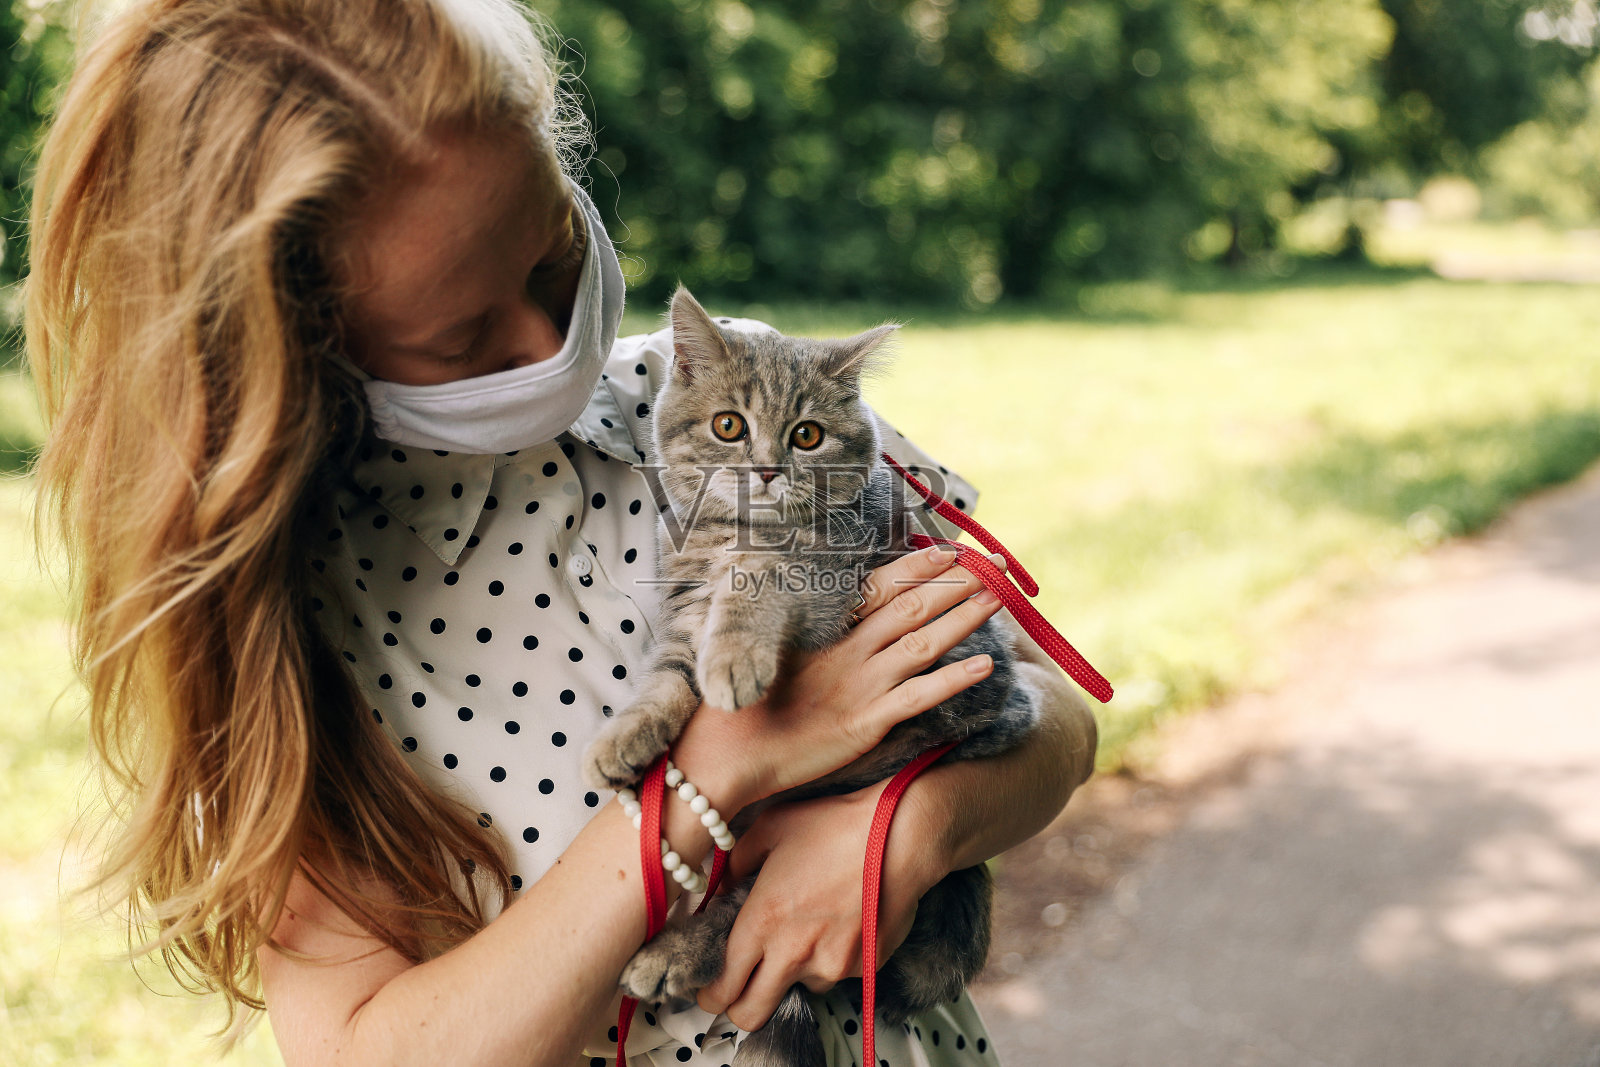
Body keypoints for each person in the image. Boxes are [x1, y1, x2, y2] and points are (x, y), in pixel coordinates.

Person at [23, 2, 1098, 1066]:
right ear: (291, 355)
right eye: (462, 338)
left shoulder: (738, 394)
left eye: (551, 254)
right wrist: (707, 786)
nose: (548, 340)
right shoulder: (299, 632)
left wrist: (908, 832)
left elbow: (1051, 715)